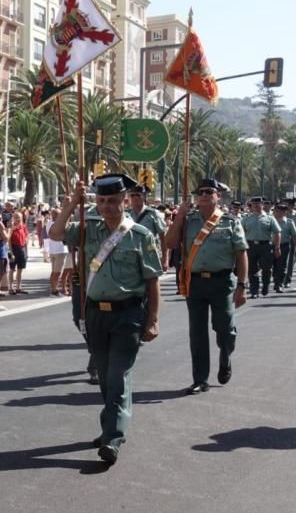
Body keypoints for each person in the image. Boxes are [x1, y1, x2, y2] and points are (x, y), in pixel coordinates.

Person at [49, 175, 161, 465]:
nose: (107, 207)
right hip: (96, 313)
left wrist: (153, 320)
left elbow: (152, 281)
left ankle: (112, 438)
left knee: (118, 376)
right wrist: (74, 202)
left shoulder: (139, 235)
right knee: (104, 375)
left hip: (129, 314)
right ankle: (110, 425)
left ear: (124, 200)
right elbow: (56, 233)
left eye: (112, 201)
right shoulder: (88, 230)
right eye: (101, 201)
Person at [166, 179, 247, 395]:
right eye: (200, 192)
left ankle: (225, 355)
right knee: (197, 333)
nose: (203, 195)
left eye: (209, 191)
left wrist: (242, 285)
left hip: (222, 282)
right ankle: (200, 379)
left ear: (217, 196)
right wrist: (179, 217)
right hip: (195, 282)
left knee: (225, 329)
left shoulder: (230, 221)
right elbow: (170, 243)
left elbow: (241, 253)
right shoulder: (188, 220)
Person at [241, 197, 281, 298]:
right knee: (252, 270)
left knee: (266, 269)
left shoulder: (270, 218)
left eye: (258, 203)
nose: (255, 205)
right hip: (251, 246)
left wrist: (277, 247)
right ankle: (254, 291)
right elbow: (241, 233)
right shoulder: (246, 219)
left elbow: (277, 232)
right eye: (253, 204)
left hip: (266, 246)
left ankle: (265, 286)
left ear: (262, 204)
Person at [127, 184, 168, 270]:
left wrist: (165, 260)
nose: (135, 198)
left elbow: (163, 238)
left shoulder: (153, 214)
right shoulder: (126, 215)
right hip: (130, 257)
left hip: (149, 255)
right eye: (132, 195)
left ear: (144, 196)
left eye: (138, 195)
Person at [271, 203, 294, 293]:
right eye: (278, 210)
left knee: (282, 266)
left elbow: (294, 235)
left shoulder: (289, 222)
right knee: (272, 265)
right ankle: (275, 279)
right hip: (270, 246)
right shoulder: (270, 221)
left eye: (283, 211)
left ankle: (279, 284)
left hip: (284, 246)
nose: (280, 212)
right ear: (275, 211)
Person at [8, 208, 29, 294]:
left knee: (20, 269)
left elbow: (26, 238)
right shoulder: (11, 228)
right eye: (16, 217)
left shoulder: (23, 227)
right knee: (12, 269)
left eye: (19, 217)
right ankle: (10, 288)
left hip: (22, 248)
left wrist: (26, 252)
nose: (18, 219)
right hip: (14, 248)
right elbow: (8, 240)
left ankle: (18, 287)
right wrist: (11, 252)